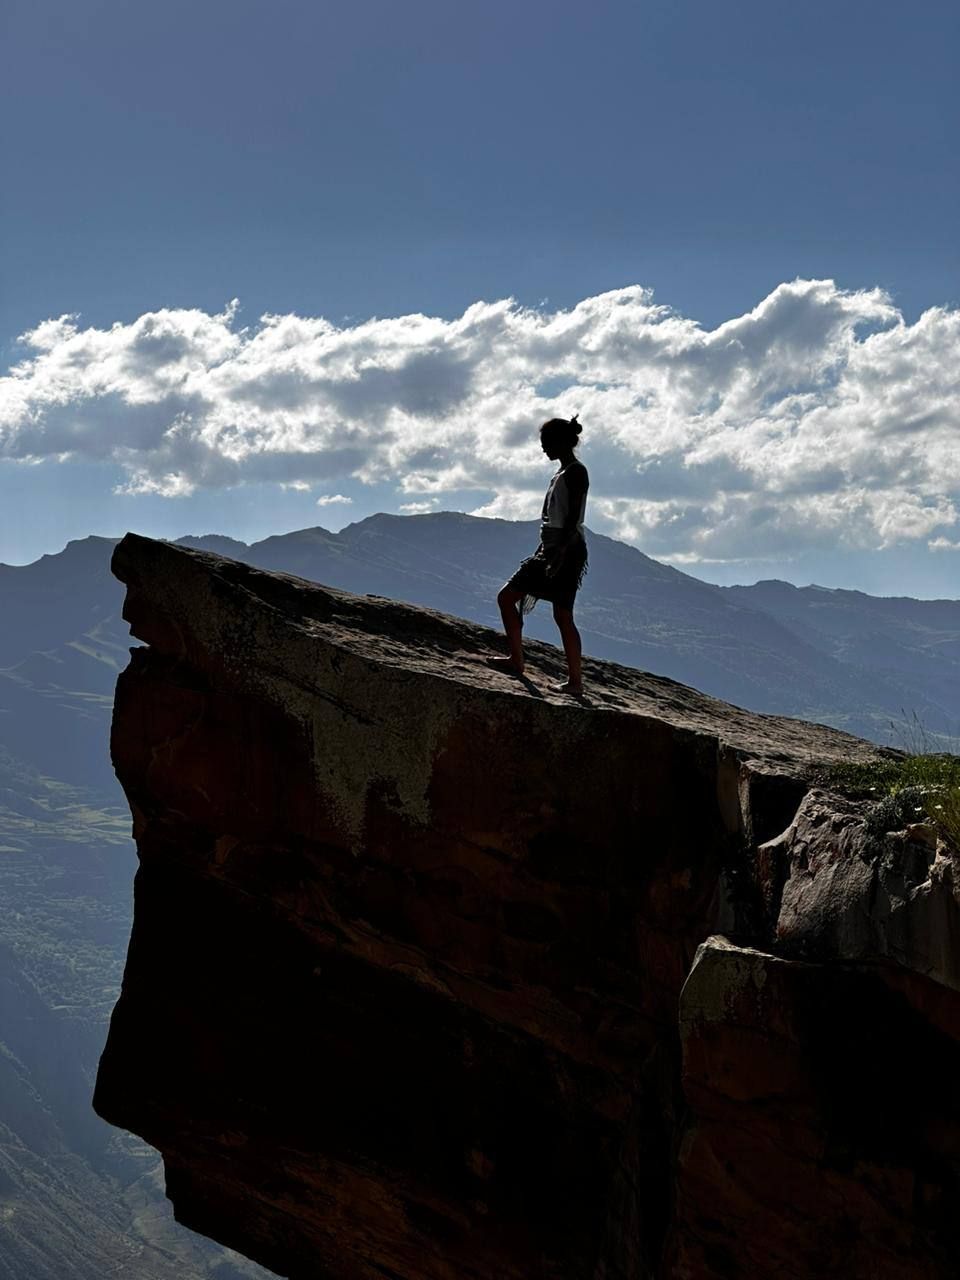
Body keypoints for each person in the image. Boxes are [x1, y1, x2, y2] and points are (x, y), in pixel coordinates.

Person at [490, 415, 589, 694]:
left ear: (560, 442)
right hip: (552, 548)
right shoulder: (561, 473)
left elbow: (572, 518)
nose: (543, 448)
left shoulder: (576, 472)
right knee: (557, 613)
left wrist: (558, 554)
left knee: (517, 600)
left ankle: (572, 681)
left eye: (547, 443)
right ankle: (521, 662)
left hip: (564, 550)